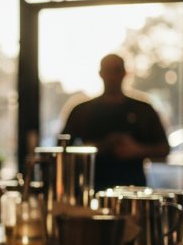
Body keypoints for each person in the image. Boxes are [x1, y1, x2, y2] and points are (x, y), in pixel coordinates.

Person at [61, 53, 169, 190]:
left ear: (125, 73)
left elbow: (164, 148)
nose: (112, 76)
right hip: (91, 190)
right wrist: (101, 146)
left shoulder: (143, 110)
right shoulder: (82, 111)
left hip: (133, 193)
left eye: (116, 70)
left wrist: (136, 150)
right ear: (101, 73)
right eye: (108, 71)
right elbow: (62, 150)